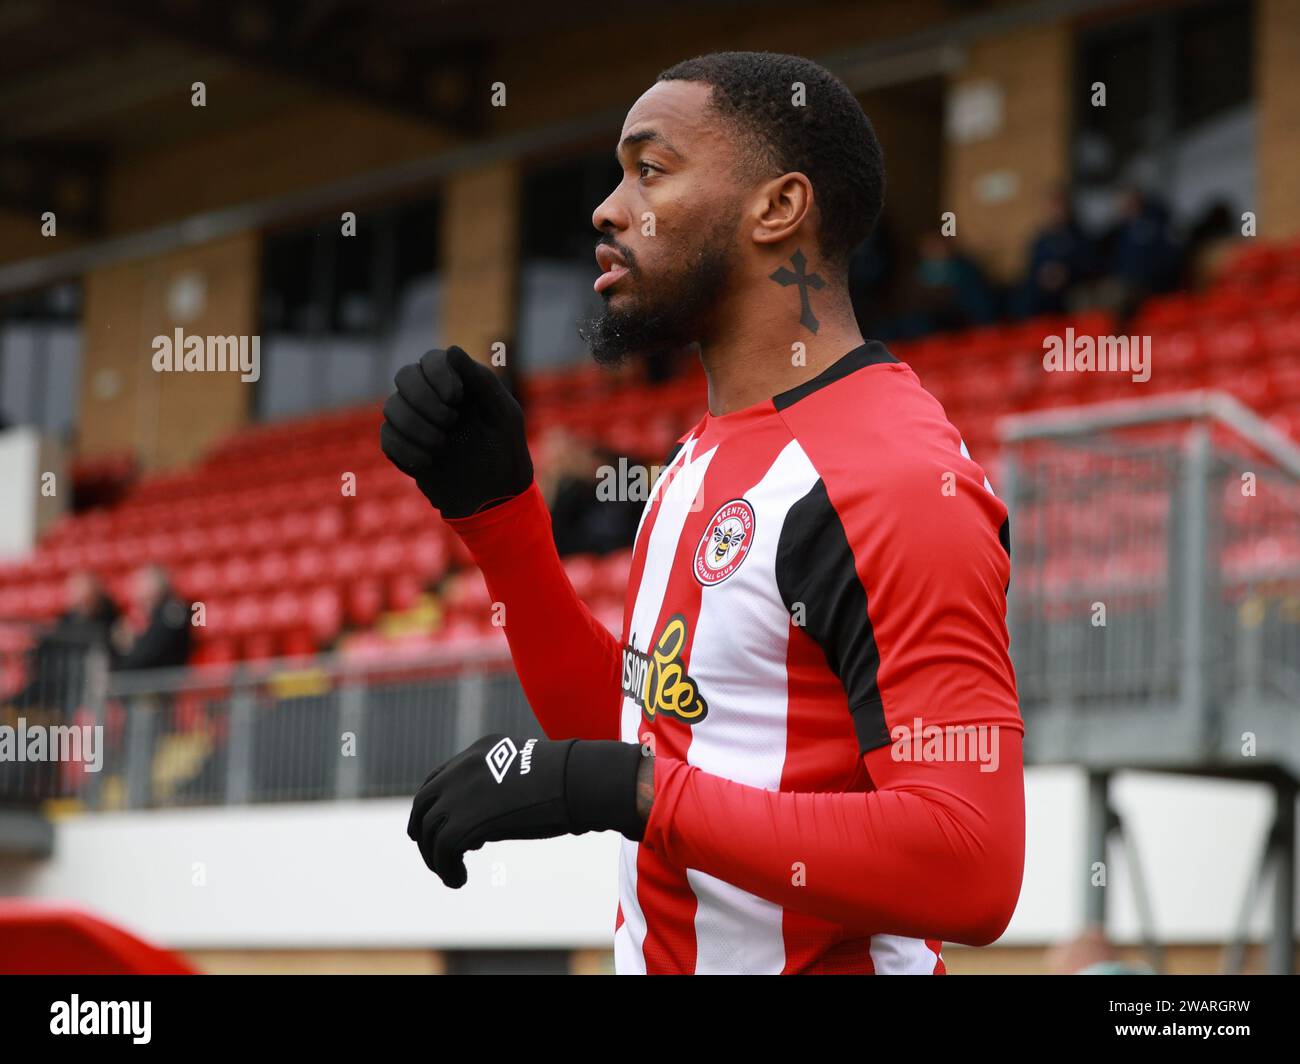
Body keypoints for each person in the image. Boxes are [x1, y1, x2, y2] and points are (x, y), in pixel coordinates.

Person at [380, 51, 1024, 974]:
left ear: (778, 208)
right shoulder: (699, 456)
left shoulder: (895, 478)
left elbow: (973, 867)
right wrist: (500, 519)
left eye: (650, 169)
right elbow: (648, 727)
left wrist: (622, 790)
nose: (608, 208)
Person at [112, 565, 191, 672]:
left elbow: (145, 656)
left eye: (140, 585)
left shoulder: (173, 613)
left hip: (167, 681)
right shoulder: (159, 615)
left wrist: (129, 644)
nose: (136, 592)